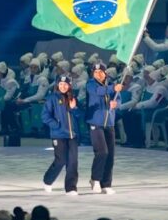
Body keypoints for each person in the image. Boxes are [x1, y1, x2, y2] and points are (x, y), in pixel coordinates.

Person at [85, 62, 122, 195]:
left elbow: (119, 100)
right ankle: (95, 179)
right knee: (102, 152)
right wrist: (113, 88)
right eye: (95, 72)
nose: (98, 74)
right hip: (96, 122)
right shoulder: (91, 84)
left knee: (110, 155)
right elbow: (97, 92)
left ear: (105, 73)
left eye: (100, 72)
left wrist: (115, 104)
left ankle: (106, 184)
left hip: (110, 123)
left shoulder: (111, 85)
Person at [41, 75, 81, 196]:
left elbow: (79, 115)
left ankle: (71, 187)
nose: (63, 87)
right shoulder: (52, 98)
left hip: (72, 135)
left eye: (65, 84)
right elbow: (45, 116)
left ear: (69, 86)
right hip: (58, 135)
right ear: (57, 85)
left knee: (73, 162)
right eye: (60, 84)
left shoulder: (73, 98)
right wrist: (56, 125)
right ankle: (48, 180)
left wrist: (74, 108)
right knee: (61, 160)